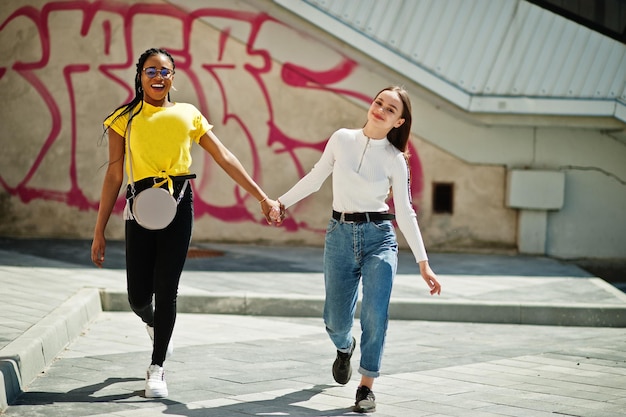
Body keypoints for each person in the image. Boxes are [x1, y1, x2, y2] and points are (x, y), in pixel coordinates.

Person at [90, 48, 280, 398]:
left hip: (178, 203)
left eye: (165, 71)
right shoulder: (124, 118)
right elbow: (115, 174)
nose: (158, 77)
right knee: (136, 297)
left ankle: (157, 368)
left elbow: (224, 156)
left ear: (173, 78)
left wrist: (262, 197)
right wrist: (99, 230)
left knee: (167, 289)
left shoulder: (188, 114)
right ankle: (154, 323)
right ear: (139, 75)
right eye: (151, 71)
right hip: (139, 206)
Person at [272, 86, 442, 413]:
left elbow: (405, 212)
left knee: (375, 314)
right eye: (379, 102)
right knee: (335, 321)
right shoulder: (341, 139)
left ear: (399, 121)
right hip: (339, 235)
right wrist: (281, 202)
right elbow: (315, 177)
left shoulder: (396, 160)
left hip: (380, 237)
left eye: (390, 109)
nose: (380, 109)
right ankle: (344, 347)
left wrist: (423, 263)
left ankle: (366, 387)